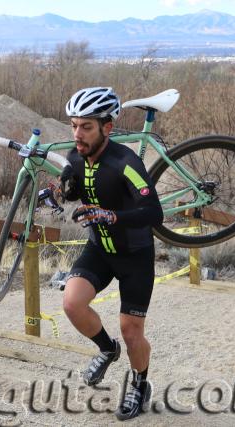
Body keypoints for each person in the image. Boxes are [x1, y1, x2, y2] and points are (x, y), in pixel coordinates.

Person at [59, 87, 163, 421]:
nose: (78, 134)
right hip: (100, 248)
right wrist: (60, 189)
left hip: (135, 254)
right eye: (74, 125)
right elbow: (75, 189)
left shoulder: (125, 162)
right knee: (72, 303)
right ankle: (107, 349)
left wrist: (111, 216)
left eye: (86, 126)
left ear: (107, 127)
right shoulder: (76, 157)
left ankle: (139, 384)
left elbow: (154, 213)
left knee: (132, 332)